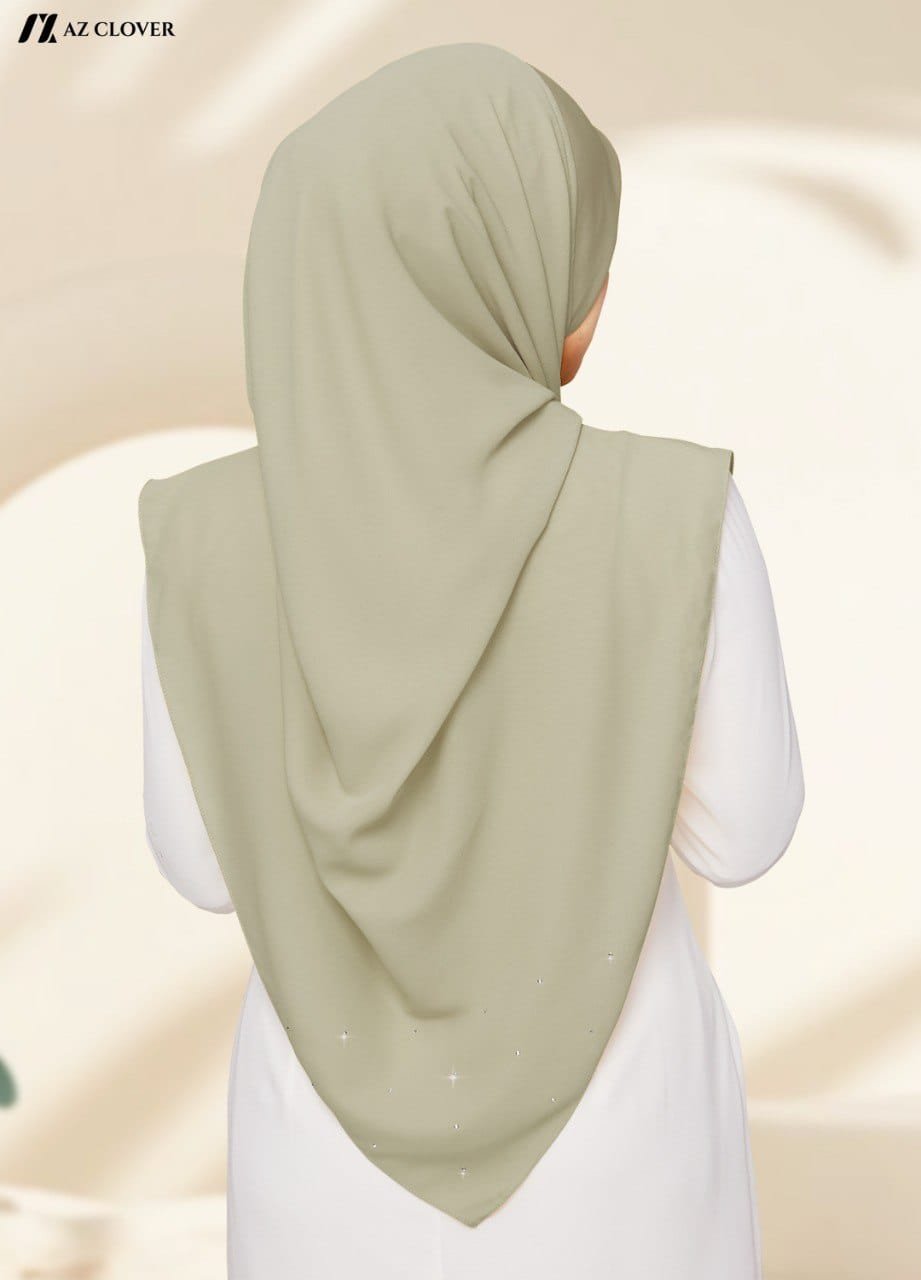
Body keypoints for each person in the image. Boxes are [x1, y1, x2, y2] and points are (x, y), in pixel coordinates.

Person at [140, 43, 804, 1279]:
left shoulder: (202, 533)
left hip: (318, 1165)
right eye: (574, 249)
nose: (591, 291)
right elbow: (746, 836)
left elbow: (198, 866)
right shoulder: (673, 509)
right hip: (628, 1154)